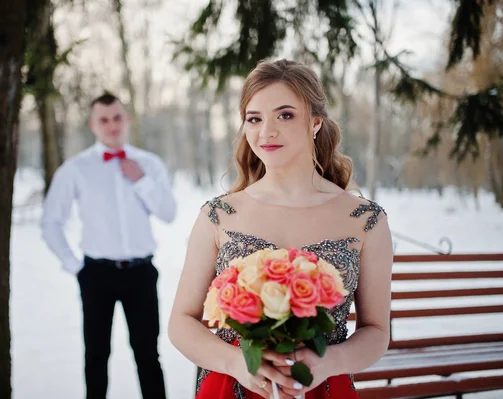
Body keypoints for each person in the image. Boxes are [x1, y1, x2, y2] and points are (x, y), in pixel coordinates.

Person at [168, 59, 393, 399]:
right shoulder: (219, 215)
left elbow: (376, 330)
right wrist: (236, 363)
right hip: (233, 387)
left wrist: (330, 361)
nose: (266, 132)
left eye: (284, 115)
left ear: (316, 122)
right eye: (254, 118)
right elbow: (181, 322)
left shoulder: (364, 219)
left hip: (322, 388)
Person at [41, 92, 176, 399]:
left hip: (141, 273)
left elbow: (168, 214)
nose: (112, 126)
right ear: (93, 125)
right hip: (96, 275)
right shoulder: (76, 169)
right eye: (104, 120)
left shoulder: (149, 164)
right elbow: (51, 222)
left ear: (126, 119)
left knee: (148, 355)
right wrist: (75, 267)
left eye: (117, 118)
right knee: (96, 355)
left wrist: (141, 180)